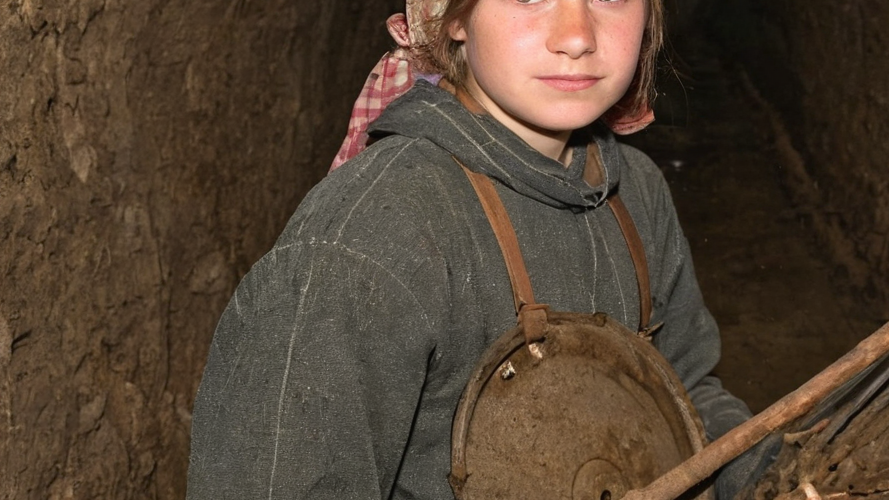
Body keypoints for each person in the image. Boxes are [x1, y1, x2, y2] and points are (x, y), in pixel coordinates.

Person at [186, 0, 771, 498]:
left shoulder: (635, 192)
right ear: (455, 18)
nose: (577, 37)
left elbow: (685, 391)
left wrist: (766, 473)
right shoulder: (365, 245)